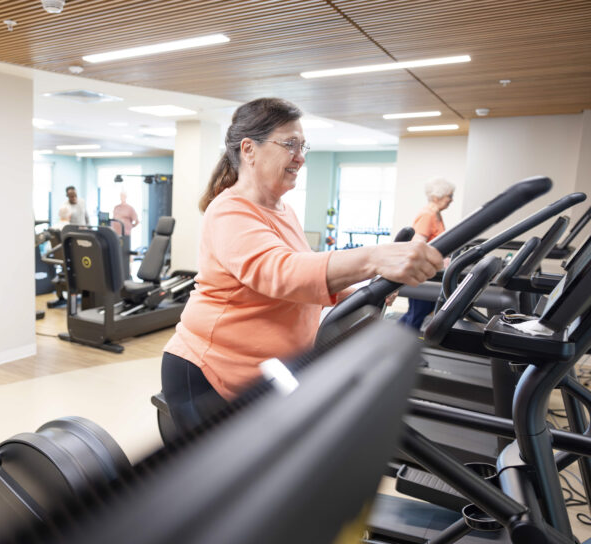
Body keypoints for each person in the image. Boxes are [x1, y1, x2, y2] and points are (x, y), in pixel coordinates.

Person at [161, 98, 444, 432]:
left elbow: (305, 274)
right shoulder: (229, 210)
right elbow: (280, 272)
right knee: (223, 481)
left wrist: (359, 293)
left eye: (303, 145)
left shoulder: (284, 210)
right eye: (290, 145)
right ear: (249, 149)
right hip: (210, 371)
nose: (300, 156)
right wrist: (374, 257)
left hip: (267, 370)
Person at [397, 177, 455, 330]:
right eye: (449, 196)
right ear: (437, 197)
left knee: (420, 312)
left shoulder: (436, 215)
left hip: (432, 273)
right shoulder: (427, 215)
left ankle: (396, 338)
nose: (451, 200)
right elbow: (417, 245)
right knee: (417, 313)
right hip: (421, 273)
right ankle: (398, 342)